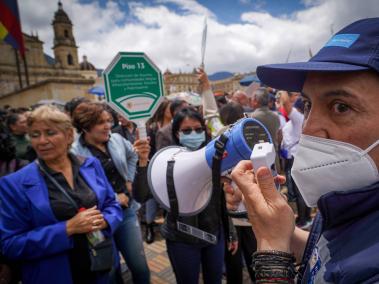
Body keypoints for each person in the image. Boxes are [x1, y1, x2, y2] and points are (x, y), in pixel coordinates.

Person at [226, 18, 379, 283]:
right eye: (307, 104)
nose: (308, 129)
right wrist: (266, 218)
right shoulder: (349, 199)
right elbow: (328, 256)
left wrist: (273, 250)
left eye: (340, 107)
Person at [0, 105, 123, 284]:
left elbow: (112, 204)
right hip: (55, 275)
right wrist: (67, 228)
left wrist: (104, 220)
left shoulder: (91, 164)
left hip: (103, 266)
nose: (42, 141)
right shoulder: (14, 184)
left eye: (50, 133)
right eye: (35, 135)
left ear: (69, 136)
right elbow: (10, 245)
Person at [71, 102, 150, 284]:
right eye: (101, 122)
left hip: (126, 212)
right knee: (110, 271)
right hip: (99, 219)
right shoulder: (74, 152)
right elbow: (79, 188)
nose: (108, 126)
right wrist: (114, 198)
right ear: (85, 127)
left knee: (140, 267)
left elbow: (132, 155)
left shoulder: (116, 139)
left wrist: (129, 179)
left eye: (109, 120)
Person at [161, 107, 235, 284]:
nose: (193, 134)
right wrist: (142, 163)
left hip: (213, 234)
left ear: (205, 130)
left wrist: (231, 233)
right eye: (186, 130)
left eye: (198, 129)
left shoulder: (215, 158)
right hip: (181, 238)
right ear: (177, 134)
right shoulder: (167, 161)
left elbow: (221, 201)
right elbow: (142, 195)